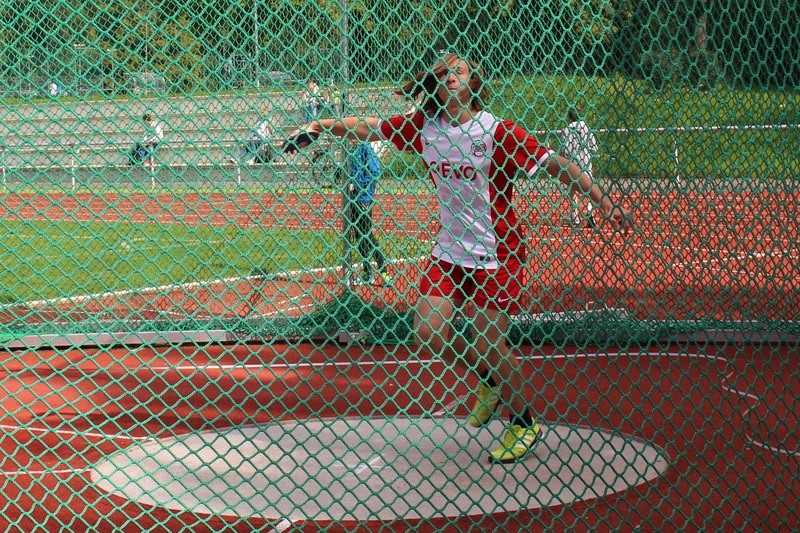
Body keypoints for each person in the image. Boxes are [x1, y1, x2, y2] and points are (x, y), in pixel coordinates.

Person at [293, 52, 632, 463]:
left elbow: (557, 164)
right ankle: (488, 378)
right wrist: (319, 127)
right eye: (443, 73)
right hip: (450, 251)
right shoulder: (424, 128)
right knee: (428, 332)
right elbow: (367, 127)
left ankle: (524, 422)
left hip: (497, 252)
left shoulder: (497, 132)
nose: (451, 77)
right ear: (435, 85)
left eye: (459, 72)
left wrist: (604, 201)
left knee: (489, 343)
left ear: (473, 83)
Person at [346, 141, 390, 286]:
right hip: (354, 197)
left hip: (364, 197)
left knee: (367, 235)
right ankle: (368, 272)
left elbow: (375, 172)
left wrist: (357, 184)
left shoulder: (365, 148)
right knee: (359, 235)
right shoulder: (352, 149)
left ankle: (384, 272)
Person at [559, 107, 598, 227]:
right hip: (585, 162)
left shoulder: (566, 130)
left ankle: (575, 215)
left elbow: (564, 151)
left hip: (572, 164)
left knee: (573, 188)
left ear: (569, 117)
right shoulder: (586, 128)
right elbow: (594, 148)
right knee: (588, 188)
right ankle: (590, 212)